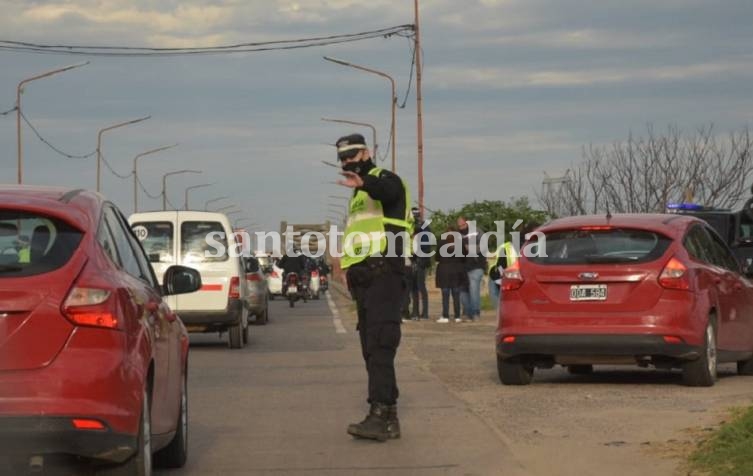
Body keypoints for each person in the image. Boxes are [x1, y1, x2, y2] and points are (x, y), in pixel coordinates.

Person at [335, 133, 412, 442]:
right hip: (365, 277)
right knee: (371, 348)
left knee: (381, 344)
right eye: (343, 158)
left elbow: (388, 191)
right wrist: (346, 266)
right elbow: (358, 235)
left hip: (386, 273)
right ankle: (388, 417)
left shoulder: (383, 179)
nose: (348, 162)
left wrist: (364, 181)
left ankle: (380, 413)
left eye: (353, 155)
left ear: (367, 152)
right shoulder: (356, 196)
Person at [435, 226, 467, 323]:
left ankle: (445, 316)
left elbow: (437, 257)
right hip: (457, 270)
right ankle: (457, 316)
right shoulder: (460, 243)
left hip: (444, 270)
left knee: (445, 294)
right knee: (456, 294)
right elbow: (464, 256)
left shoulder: (441, 242)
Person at [458, 216, 486, 321]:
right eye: (459, 225)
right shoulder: (458, 234)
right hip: (463, 267)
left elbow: (484, 245)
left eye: (462, 225)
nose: (460, 227)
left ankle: (475, 313)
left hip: (476, 265)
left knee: (473, 290)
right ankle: (467, 312)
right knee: (463, 291)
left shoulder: (477, 231)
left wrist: (472, 248)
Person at [410, 207, 431, 320]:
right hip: (412, 258)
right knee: (413, 287)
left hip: (421, 259)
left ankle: (425, 312)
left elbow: (426, 244)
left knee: (420, 286)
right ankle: (415, 312)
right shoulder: (410, 226)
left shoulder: (424, 226)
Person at [488, 237, 519, 310]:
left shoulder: (506, 247)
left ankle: (501, 311)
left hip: (504, 274)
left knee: (497, 295)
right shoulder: (507, 248)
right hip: (498, 274)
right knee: (499, 295)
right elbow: (500, 265)